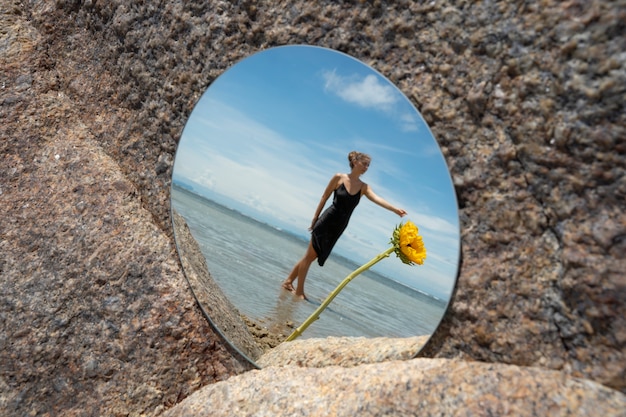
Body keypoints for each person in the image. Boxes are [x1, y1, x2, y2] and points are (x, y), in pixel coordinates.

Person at [281, 151, 407, 299]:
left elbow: (377, 199)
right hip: (326, 221)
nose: (366, 167)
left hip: (338, 227)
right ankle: (299, 291)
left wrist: (394, 209)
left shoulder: (364, 187)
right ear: (355, 162)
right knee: (309, 256)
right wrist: (315, 218)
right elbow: (324, 197)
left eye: (368, 165)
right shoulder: (339, 177)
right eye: (364, 164)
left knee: (311, 256)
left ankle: (288, 282)